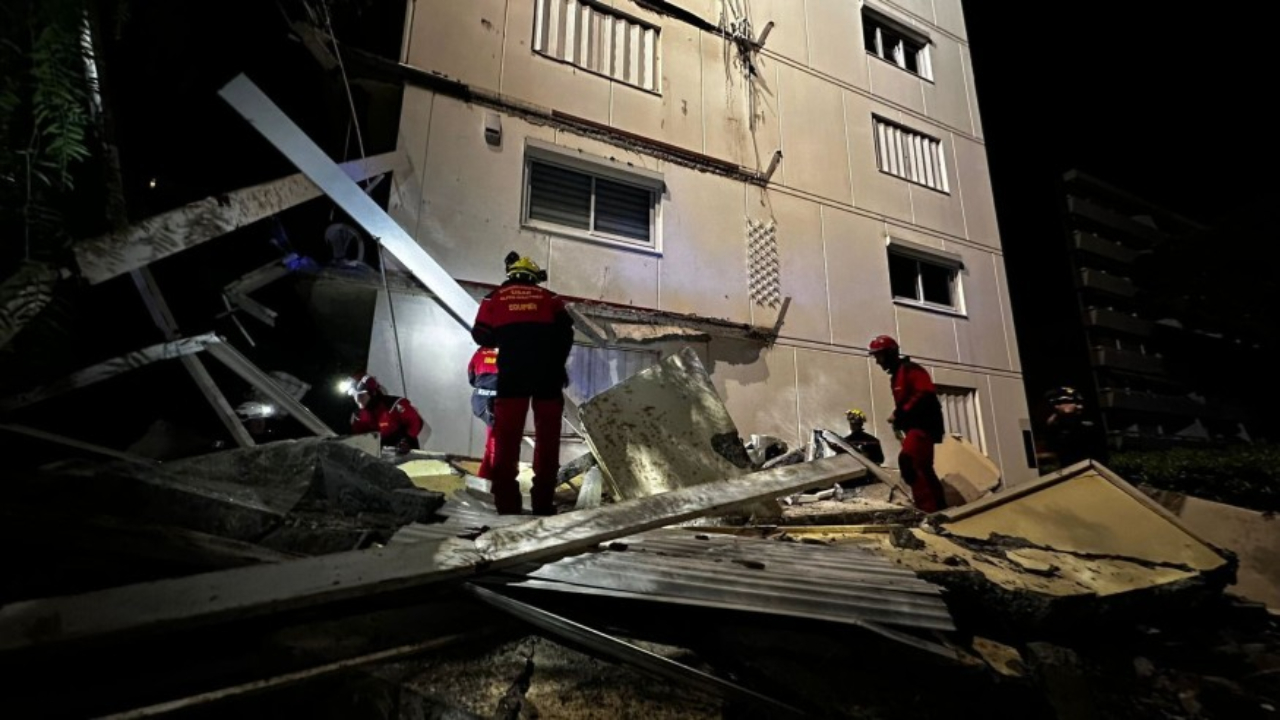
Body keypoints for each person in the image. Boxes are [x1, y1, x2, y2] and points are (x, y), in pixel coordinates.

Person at [471, 252, 574, 515]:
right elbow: (566, 333)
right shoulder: (550, 298)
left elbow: (480, 334)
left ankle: (507, 506)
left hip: (512, 375)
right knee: (547, 440)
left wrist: (508, 336)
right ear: (534, 278)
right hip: (548, 375)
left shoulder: (493, 297)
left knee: (506, 441)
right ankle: (542, 504)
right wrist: (557, 364)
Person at [867, 335, 948, 512]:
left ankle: (928, 510)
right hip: (914, 425)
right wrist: (898, 415)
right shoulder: (896, 375)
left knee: (909, 462)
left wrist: (900, 413)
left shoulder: (911, 370)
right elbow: (906, 401)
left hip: (923, 425)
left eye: (879, 356)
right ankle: (939, 508)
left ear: (890, 354)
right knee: (923, 467)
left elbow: (924, 394)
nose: (877, 362)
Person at [343, 372, 424, 453]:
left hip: (405, 447)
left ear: (372, 393)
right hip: (381, 451)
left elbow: (415, 421)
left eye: (361, 396)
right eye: (354, 396)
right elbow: (358, 437)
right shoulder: (358, 416)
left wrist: (407, 440)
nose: (358, 400)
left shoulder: (393, 405)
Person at [1043, 386, 1101, 469]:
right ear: (1056, 405)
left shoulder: (1088, 428)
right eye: (1072, 401)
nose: (1079, 407)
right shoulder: (1052, 428)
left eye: (1079, 403)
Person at [468, 346, 500, 479]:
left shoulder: (480, 351)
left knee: (492, 441)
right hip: (494, 402)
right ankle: (494, 481)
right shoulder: (511, 350)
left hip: (480, 401)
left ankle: (485, 477)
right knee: (495, 443)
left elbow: (471, 377)